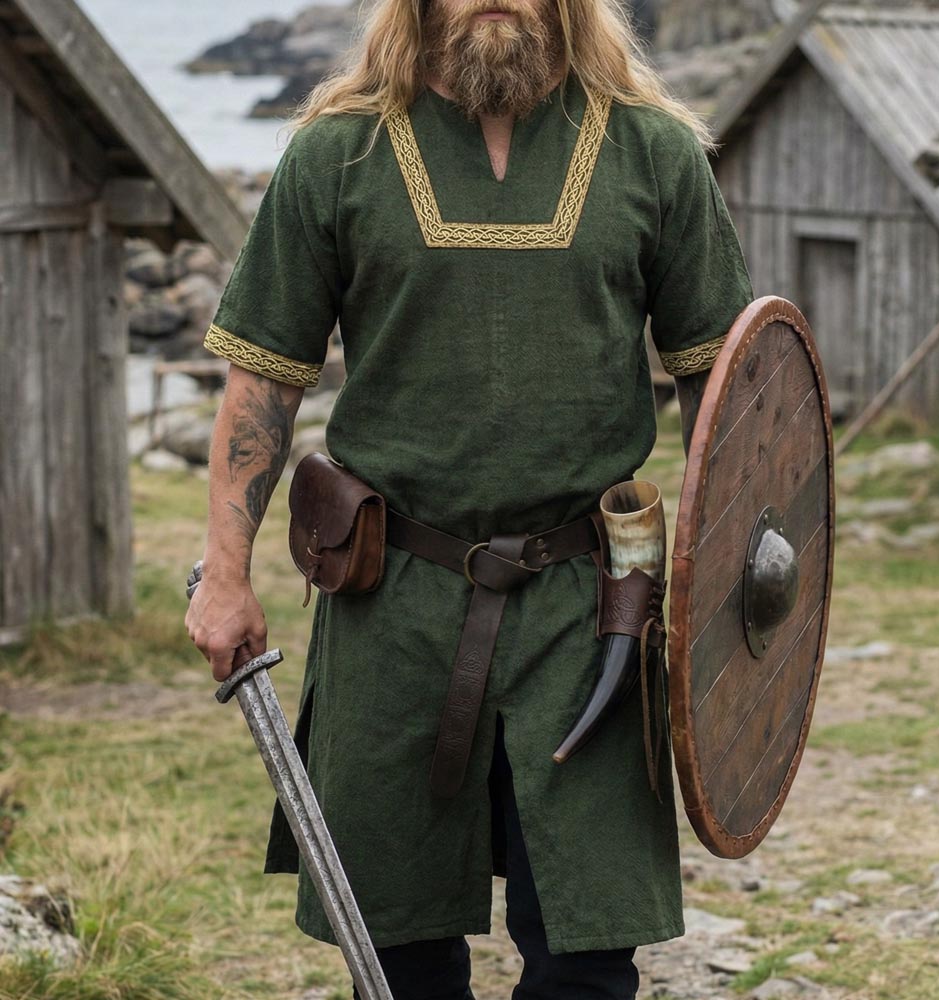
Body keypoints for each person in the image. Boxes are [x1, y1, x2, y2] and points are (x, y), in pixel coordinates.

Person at [186, 0, 753, 993]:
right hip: (390, 598)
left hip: (591, 607)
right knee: (397, 948)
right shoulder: (337, 154)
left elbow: (731, 389)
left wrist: (737, 592)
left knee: (585, 953)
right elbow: (264, 378)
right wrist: (224, 574)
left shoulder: (652, 151)